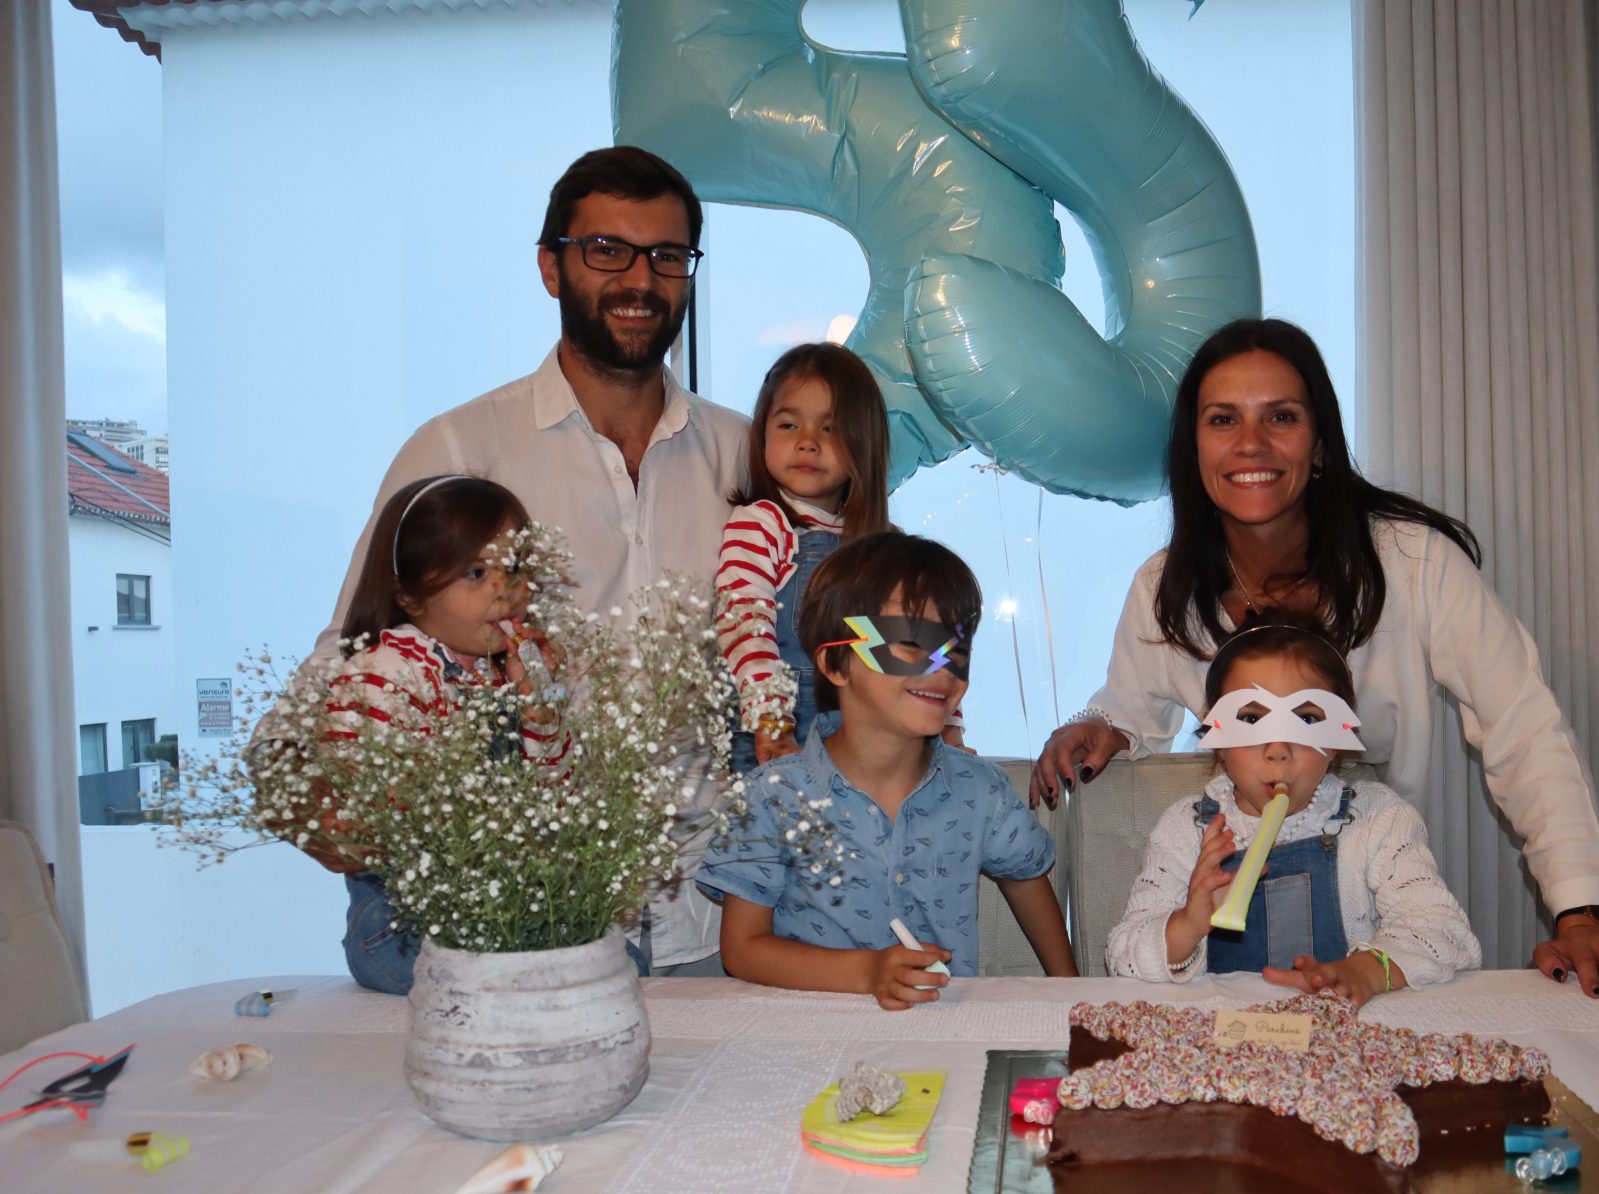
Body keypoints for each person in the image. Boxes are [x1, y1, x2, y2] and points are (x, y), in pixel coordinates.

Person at [1033, 317, 1599, 1001]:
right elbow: (1130, 708)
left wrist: (1582, 913)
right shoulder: (1165, 586)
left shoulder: (1413, 562)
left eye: (1281, 416)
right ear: (1194, 447)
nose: (1251, 442)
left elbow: (1523, 726)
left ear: (1320, 442)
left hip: (1375, 922)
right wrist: (1100, 726)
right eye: (1222, 419)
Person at [303, 145, 749, 976]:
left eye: (667, 256)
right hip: (524, 933)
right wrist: (322, 805)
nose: (641, 279)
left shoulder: (749, 455)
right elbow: (347, 661)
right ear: (551, 267)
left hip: (719, 927)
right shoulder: (459, 451)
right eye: (607, 250)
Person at [698, 532, 1077, 1008]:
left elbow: (1025, 880)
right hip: (808, 1033)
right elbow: (741, 949)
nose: (942, 669)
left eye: (958, 652)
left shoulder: (981, 790)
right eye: (912, 644)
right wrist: (867, 972)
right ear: (836, 663)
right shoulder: (770, 797)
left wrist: (1074, 995)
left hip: (943, 1033)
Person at [263, 475, 567, 993]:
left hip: (494, 907)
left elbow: (554, 793)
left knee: (609, 955)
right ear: (409, 595)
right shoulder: (385, 671)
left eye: (515, 567)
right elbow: (372, 817)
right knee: (528, 983)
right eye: (475, 573)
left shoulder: (497, 671)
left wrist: (538, 702)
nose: (504, 590)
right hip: (401, 922)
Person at [1104, 614, 1480, 1005]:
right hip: (1224, 1032)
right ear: (1218, 741)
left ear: (1335, 743)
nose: (1278, 750)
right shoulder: (1188, 830)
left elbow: (1442, 928)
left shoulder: (1377, 820)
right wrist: (1187, 925)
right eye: (1251, 719)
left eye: (1307, 719)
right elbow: (1121, 957)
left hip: (1343, 1029)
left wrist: (1367, 971)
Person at [714, 343, 893, 772]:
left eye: (830, 429)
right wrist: (770, 716)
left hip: (865, 748)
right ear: (762, 434)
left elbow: (917, 648)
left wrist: (947, 728)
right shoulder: (762, 524)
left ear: (864, 442)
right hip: (776, 742)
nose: (808, 443)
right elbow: (743, 622)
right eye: (789, 424)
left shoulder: (886, 547)